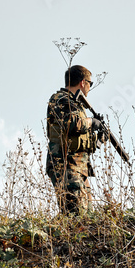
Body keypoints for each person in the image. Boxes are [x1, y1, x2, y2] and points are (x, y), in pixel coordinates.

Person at [46, 65, 108, 215]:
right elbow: (71, 123)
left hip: (79, 168)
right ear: (82, 82)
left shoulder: (76, 105)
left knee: (88, 217)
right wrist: (91, 122)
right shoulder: (61, 99)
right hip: (66, 166)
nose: (89, 88)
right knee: (74, 216)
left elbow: (78, 142)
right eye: (90, 83)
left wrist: (99, 139)